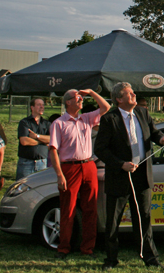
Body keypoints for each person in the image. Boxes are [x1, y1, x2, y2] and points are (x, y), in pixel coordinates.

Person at [94, 82, 164, 270]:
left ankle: (150, 259)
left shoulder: (143, 113)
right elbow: (100, 149)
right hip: (120, 176)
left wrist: (161, 138)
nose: (134, 95)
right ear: (119, 99)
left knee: (144, 218)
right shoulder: (109, 118)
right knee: (113, 221)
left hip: (142, 176)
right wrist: (121, 164)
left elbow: (153, 132)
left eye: (133, 92)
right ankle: (111, 259)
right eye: (129, 93)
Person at [48, 88, 110, 258]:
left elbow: (105, 107)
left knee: (91, 207)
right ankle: (64, 247)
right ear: (68, 102)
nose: (81, 100)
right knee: (68, 208)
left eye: (82, 98)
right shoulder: (59, 123)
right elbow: (53, 150)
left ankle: (88, 248)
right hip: (70, 167)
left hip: (88, 165)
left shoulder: (86, 118)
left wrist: (91, 92)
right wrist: (60, 174)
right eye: (78, 98)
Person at [16, 97, 50, 180]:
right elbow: (24, 141)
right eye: (39, 105)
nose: (42, 107)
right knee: (23, 187)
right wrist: (42, 142)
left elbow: (51, 139)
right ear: (32, 107)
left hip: (41, 162)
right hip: (26, 163)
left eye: (43, 105)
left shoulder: (47, 123)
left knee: (40, 188)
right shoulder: (24, 122)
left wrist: (36, 136)